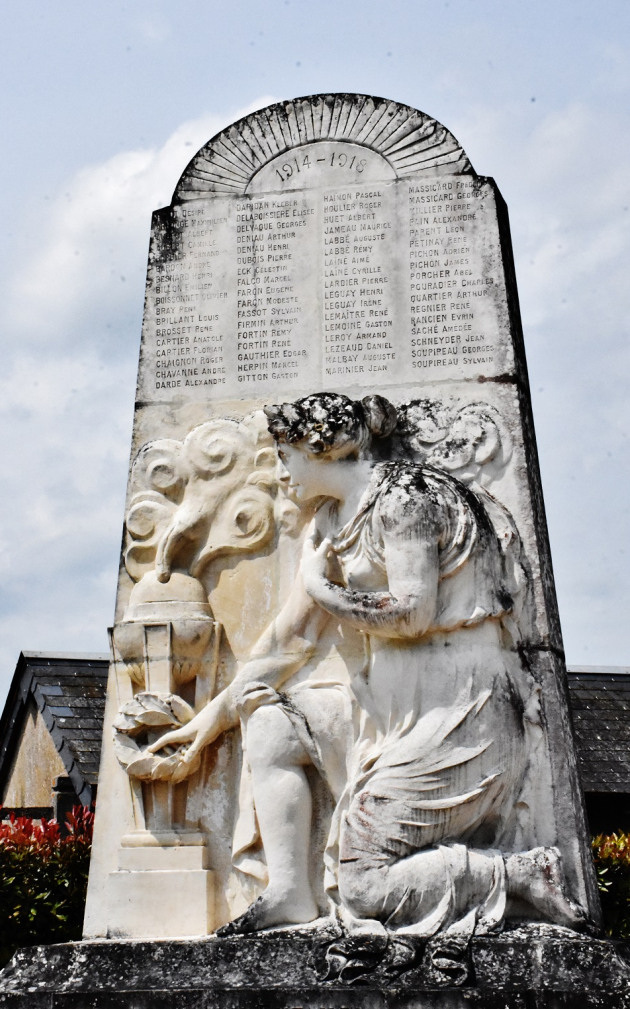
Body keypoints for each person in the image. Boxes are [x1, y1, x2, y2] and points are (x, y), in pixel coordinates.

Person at [150, 392, 583, 936]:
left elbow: (411, 613)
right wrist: (204, 724)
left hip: (462, 716)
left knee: (364, 886)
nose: (282, 473)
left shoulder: (408, 499)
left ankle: (516, 873)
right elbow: (288, 640)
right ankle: (289, 891)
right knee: (272, 722)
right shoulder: (332, 520)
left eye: (285, 456)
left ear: (321, 448)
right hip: (386, 711)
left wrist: (319, 585)